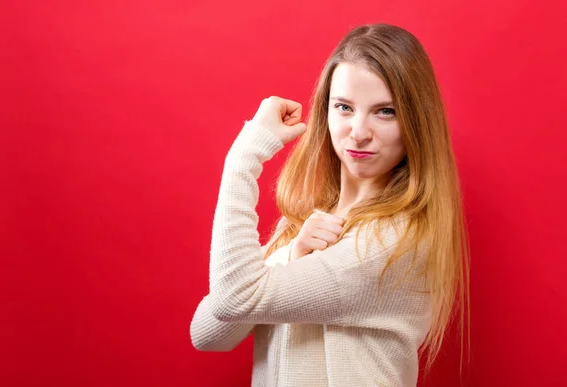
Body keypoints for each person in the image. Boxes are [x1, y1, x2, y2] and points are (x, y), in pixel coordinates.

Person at [190, 23, 470, 386]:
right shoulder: (306, 226)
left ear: (416, 122)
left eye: (385, 111)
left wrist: (243, 159)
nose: (358, 132)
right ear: (326, 111)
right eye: (344, 107)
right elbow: (208, 333)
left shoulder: (391, 243)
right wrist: (292, 256)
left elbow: (232, 300)